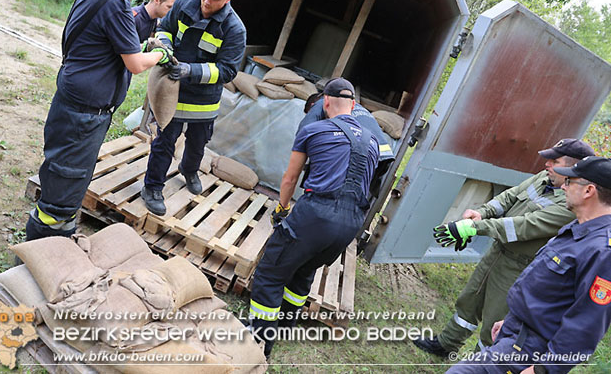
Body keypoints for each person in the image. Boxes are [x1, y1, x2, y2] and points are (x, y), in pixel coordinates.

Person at [23, 0, 172, 241]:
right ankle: (44, 245)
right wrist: (161, 55)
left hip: (72, 100)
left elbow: (100, 46)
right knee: (68, 177)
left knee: (61, 172)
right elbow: (135, 64)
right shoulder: (114, 3)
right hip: (85, 112)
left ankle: (51, 236)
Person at [414, 139, 595, 356]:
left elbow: (522, 226)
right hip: (498, 252)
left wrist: (473, 227)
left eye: (554, 160)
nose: (547, 163)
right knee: (470, 299)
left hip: (517, 267)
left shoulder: (568, 206)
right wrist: (482, 212)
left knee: (495, 321)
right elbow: (508, 197)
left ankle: (480, 365)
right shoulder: (544, 178)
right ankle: (446, 344)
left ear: (571, 169)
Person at [248, 78, 380, 358]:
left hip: (316, 215)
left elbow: (290, 178)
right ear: (353, 106)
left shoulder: (314, 129)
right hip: (350, 224)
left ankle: (259, 341)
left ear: (326, 102)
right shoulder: (373, 141)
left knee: (271, 273)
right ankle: (285, 326)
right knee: (304, 270)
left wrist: (282, 210)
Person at [447, 155, 611, 374]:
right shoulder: (578, 228)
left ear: (589, 191)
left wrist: (543, 369)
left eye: (570, 182)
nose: (564, 186)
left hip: (529, 352)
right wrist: (512, 319)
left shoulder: (602, 251)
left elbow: (585, 325)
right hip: (516, 334)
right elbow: (550, 293)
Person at [141, 0, 246, 215]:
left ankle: (189, 170)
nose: (206, 1)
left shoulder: (234, 30)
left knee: (198, 144)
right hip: (172, 93)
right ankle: (152, 187)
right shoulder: (184, 4)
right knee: (164, 142)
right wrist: (165, 49)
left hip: (204, 102)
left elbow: (228, 71)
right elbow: (164, 28)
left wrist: (191, 70)